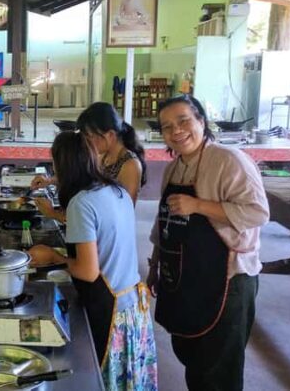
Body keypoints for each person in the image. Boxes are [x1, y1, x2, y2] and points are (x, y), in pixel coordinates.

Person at [147, 95, 268, 390]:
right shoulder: (174, 168)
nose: (176, 131)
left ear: (201, 121)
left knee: (220, 370)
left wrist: (198, 205)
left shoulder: (229, 160)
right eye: (166, 126)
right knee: (193, 356)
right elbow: (164, 222)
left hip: (228, 281)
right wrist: (155, 266)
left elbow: (258, 213)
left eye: (184, 121)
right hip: (187, 277)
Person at [29, 131, 158, 391]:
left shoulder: (81, 203)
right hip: (133, 309)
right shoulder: (114, 190)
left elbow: (88, 272)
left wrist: (53, 256)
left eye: (54, 164)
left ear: (62, 164)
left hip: (112, 313)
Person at [33, 102, 146, 221]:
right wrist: (50, 181)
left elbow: (123, 213)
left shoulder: (130, 165)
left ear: (110, 135)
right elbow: (82, 178)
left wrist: (54, 214)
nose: (86, 141)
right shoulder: (100, 154)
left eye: (90, 136)